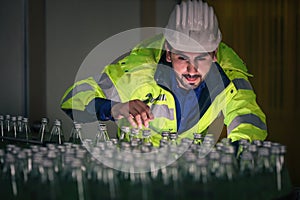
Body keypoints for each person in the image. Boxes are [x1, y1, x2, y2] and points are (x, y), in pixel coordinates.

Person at [60, 0, 267, 146]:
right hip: (136, 170)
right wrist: (115, 108)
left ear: (214, 54)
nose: (192, 70)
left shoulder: (228, 74)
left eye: (201, 58)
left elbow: (247, 117)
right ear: (168, 52)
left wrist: (242, 155)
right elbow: (73, 99)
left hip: (189, 174)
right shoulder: (136, 71)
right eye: (182, 58)